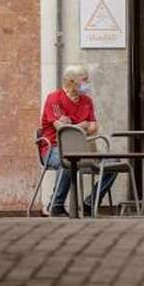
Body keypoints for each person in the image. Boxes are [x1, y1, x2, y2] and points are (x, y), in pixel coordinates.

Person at [39, 65, 116, 217]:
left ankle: (90, 203)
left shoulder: (87, 101)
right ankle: (56, 205)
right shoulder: (54, 98)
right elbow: (61, 129)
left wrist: (74, 125)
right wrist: (82, 125)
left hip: (84, 149)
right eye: (84, 80)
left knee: (114, 163)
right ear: (71, 82)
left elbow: (94, 127)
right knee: (68, 160)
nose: (87, 83)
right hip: (53, 148)